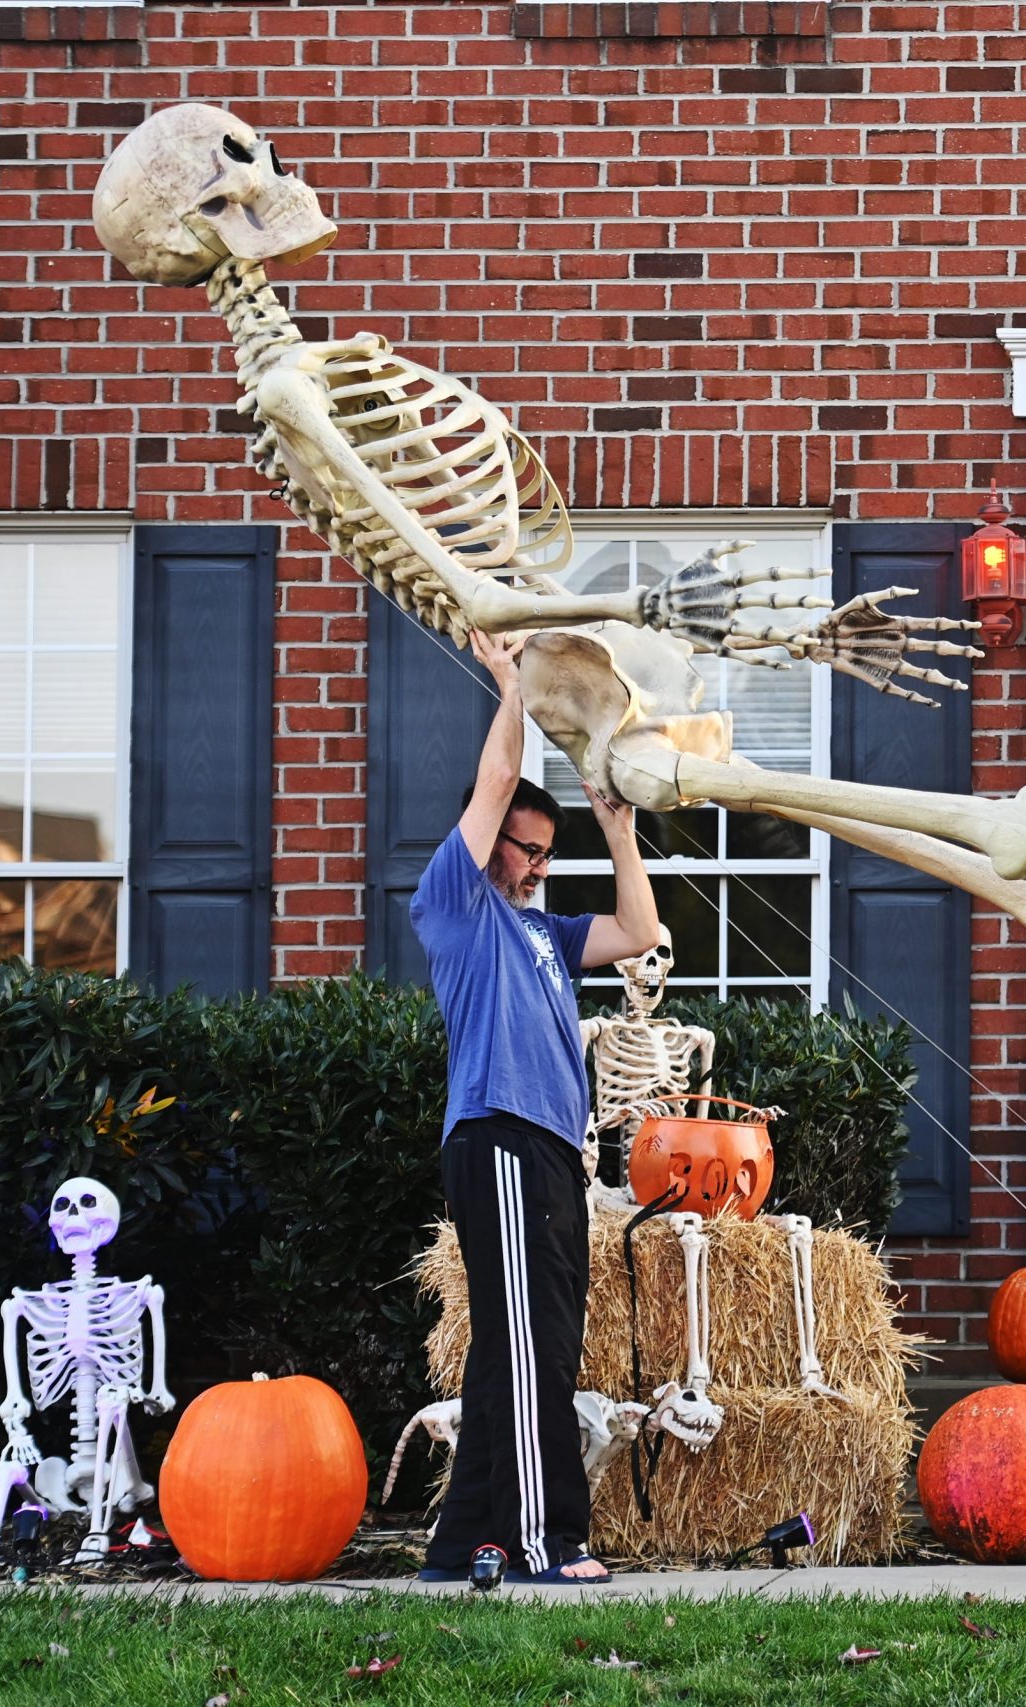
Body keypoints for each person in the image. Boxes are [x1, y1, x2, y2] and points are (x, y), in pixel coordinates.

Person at [412, 628, 659, 1587]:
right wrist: (509, 682)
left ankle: (458, 1543)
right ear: (492, 842)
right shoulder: (454, 903)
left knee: (524, 1347)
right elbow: (496, 776)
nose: (538, 867)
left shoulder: (547, 931)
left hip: (554, 1154)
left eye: (550, 853)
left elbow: (641, 930)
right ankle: (547, 1542)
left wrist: (620, 829)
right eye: (527, 849)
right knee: (531, 1356)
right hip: (499, 1139)